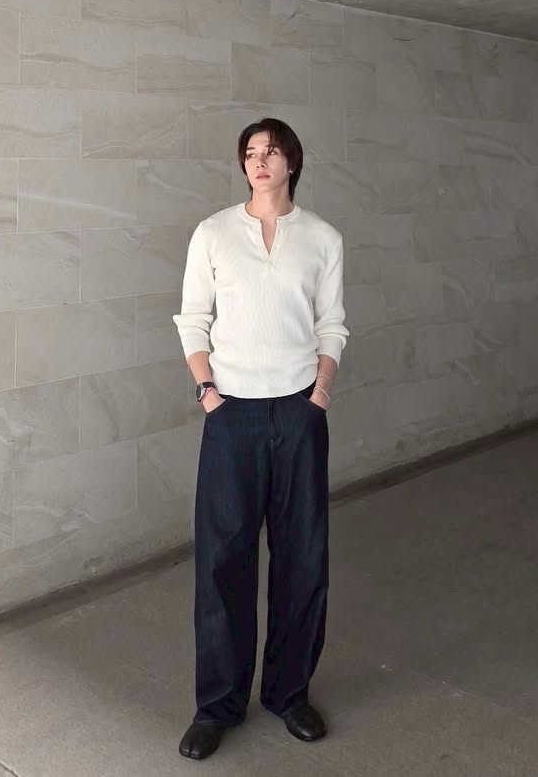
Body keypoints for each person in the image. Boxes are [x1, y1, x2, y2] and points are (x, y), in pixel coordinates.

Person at [173, 117, 348, 761]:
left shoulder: (322, 238)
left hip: (299, 413)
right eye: (250, 153)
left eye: (271, 152)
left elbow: (332, 324)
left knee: (303, 557)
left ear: (292, 162)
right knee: (223, 561)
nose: (260, 162)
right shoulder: (214, 233)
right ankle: (217, 705)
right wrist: (208, 394)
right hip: (232, 416)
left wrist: (320, 393)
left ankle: (288, 693)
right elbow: (193, 319)